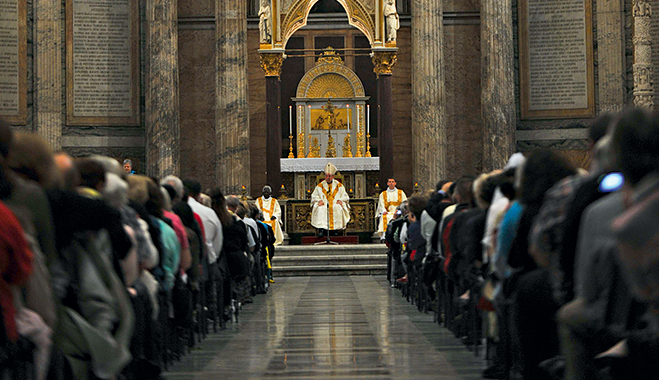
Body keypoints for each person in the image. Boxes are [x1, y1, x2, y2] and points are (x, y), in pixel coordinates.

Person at [310, 163, 350, 235]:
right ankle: (321, 229)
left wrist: (341, 200)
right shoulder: (320, 186)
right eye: (326, 176)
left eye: (329, 176)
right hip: (324, 203)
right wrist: (319, 201)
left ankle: (335, 230)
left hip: (335, 203)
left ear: (333, 176)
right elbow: (314, 196)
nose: (328, 177)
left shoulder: (339, 185)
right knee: (321, 209)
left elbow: (345, 196)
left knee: (337, 208)